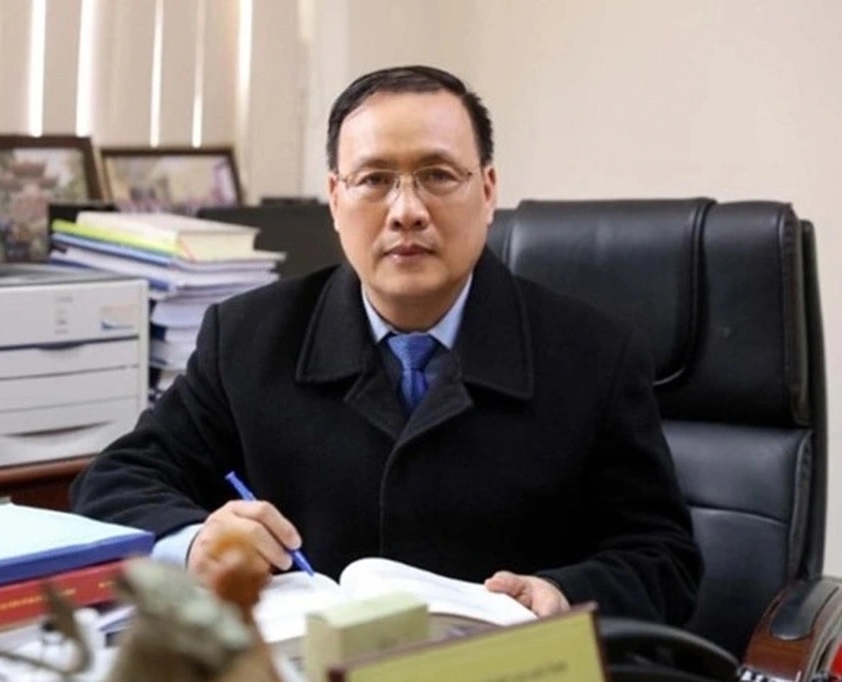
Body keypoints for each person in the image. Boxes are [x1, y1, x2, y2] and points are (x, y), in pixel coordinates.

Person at [71, 65, 702, 624]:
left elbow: (662, 559)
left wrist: (563, 593)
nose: (406, 211)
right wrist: (193, 543)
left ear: (487, 192)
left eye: (437, 175)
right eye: (374, 179)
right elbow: (115, 481)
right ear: (335, 199)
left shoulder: (593, 354)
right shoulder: (248, 338)